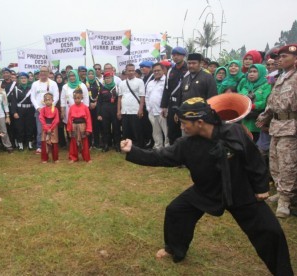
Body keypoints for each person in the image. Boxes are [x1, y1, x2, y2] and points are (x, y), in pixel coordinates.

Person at [121, 97, 294, 276]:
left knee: (271, 232)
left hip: (240, 191)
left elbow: (253, 159)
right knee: (176, 210)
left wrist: (261, 187)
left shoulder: (234, 131)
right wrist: (133, 151)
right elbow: (160, 157)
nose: (181, 127)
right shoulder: (186, 144)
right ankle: (174, 248)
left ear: (200, 122)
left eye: (184, 123)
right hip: (206, 190)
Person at [257, 44, 297, 218]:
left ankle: (286, 201)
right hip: (276, 126)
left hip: (291, 127)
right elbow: (271, 102)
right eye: (279, 57)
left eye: (284, 57)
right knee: (275, 162)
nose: (280, 59)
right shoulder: (280, 78)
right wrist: (263, 117)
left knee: (288, 165)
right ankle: (280, 192)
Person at [161, 46, 188, 145]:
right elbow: (166, 89)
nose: (175, 57)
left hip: (184, 104)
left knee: (184, 130)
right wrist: (164, 106)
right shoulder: (170, 71)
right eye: (174, 55)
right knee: (172, 130)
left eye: (178, 55)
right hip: (172, 104)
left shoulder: (188, 70)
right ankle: (174, 153)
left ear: (183, 56)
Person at [30, 66, 59, 154]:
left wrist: (50, 107)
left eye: (45, 71)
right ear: (39, 73)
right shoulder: (35, 84)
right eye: (41, 71)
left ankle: (52, 145)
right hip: (39, 110)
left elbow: (56, 96)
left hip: (50, 111)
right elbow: (32, 97)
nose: (43, 73)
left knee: (52, 128)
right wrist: (38, 108)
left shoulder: (53, 83)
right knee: (40, 130)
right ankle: (40, 146)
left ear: (48, 72)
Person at [238, 64, 271, 142]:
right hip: (244, 122)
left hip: (258, 123)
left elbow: (266, 101)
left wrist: (252, 106)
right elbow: (239, 99)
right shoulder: (245, 86)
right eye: (250, 71)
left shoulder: (267, 85)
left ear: (262, 73)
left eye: (255, 71)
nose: (251, 74)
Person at [118, 63, 146, 148]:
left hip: (135, 110)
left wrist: (141, 109)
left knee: (137, 131)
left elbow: (142, 97)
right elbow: (119, 98)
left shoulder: (139, 81)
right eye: (129, 70)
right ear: (126, 71)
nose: (131, 72)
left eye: (133, 70)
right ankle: (127, 148)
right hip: (125, 111)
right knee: (126, 131)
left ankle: (139, 148)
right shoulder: (122, 83)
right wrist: (118, 111)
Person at [146, 63, 169, 149]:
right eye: (154, 71)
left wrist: (166, 109)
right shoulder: (150, 83)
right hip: (152, 112)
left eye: (158, 70)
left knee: (166, 133)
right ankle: (158, 148)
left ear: (163, 70)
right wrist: (148, 108)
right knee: (155, 132)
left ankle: (167, 149)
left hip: (163, 112)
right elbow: (147, 96)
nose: (156, 72)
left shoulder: (167, 81)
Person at [97, 71, 121, 152]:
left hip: (114, 109)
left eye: (109, 78)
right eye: (106, 78)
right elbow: (99, 102)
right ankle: (106, 144)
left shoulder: (117, 87)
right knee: (105, 129)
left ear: (112, 78)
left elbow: (119, 100)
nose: (108, 80)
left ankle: (117, 144)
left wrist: (119, 111)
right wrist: (99, 114)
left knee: (116, 128)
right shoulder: (102, 88)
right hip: (105, 110)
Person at [67, 89, 92, 163]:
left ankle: (87, 158)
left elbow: (88, 119)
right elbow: (69, 119)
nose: (76, 100)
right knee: (73, 142)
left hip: (82, 126)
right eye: (75, 98)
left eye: (78, 98)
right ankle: (73, 157)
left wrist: (88, 129)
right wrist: (69, 129)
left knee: (84, 142)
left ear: (81, 98)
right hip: (74, 126)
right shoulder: (71, 107)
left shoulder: (85, 107)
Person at [39, 93, 60, 163]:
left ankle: (55, 158)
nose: (48, 101)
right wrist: (46, 128)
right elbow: (41, 118)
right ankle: (45, 158)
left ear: (52, 100)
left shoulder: (55, 109)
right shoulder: (42, 110)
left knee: (54, 143)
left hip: (53, 127)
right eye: (46, 100)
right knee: (44, 142)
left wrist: (51, 128)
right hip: (45, 127)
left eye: (49, 100)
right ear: (44, 101)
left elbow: (57, 119)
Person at [85, 67, 102, 148]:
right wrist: (89, 103)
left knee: (96, 126)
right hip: (88, 108)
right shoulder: (84, 83)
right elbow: (83, 96)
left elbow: (101, 94)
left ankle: (97, 143)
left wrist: (95, 103)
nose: (91, 75)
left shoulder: (98, 83)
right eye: (89, 74)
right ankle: (89, 144)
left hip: (97, 107)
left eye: (92, 74)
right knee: (88, 125)